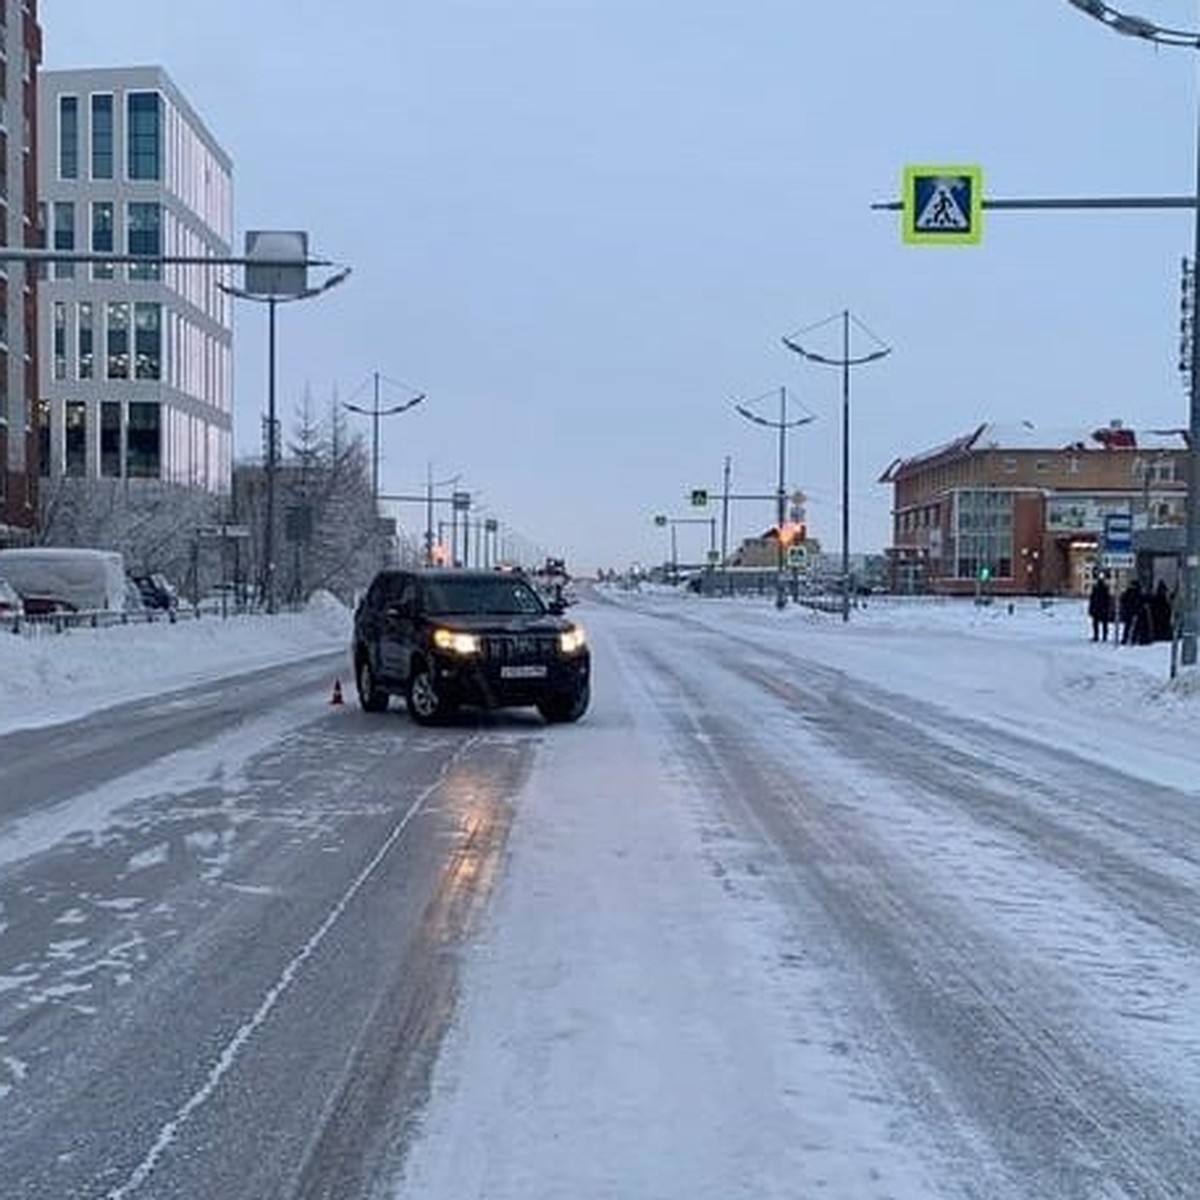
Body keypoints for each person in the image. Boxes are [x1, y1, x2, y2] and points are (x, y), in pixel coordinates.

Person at [1088, 574, 1113, 642]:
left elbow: (1092, 600)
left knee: (1096, 624)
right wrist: (1109, 609)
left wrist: (1090, 610)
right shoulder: (1105, 590)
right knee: (1104, 624)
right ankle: (1104, 636)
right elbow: (1108, 600)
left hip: (1096, 609)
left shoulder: (1095, 590)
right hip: (1104, 609)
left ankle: (1096, 636)